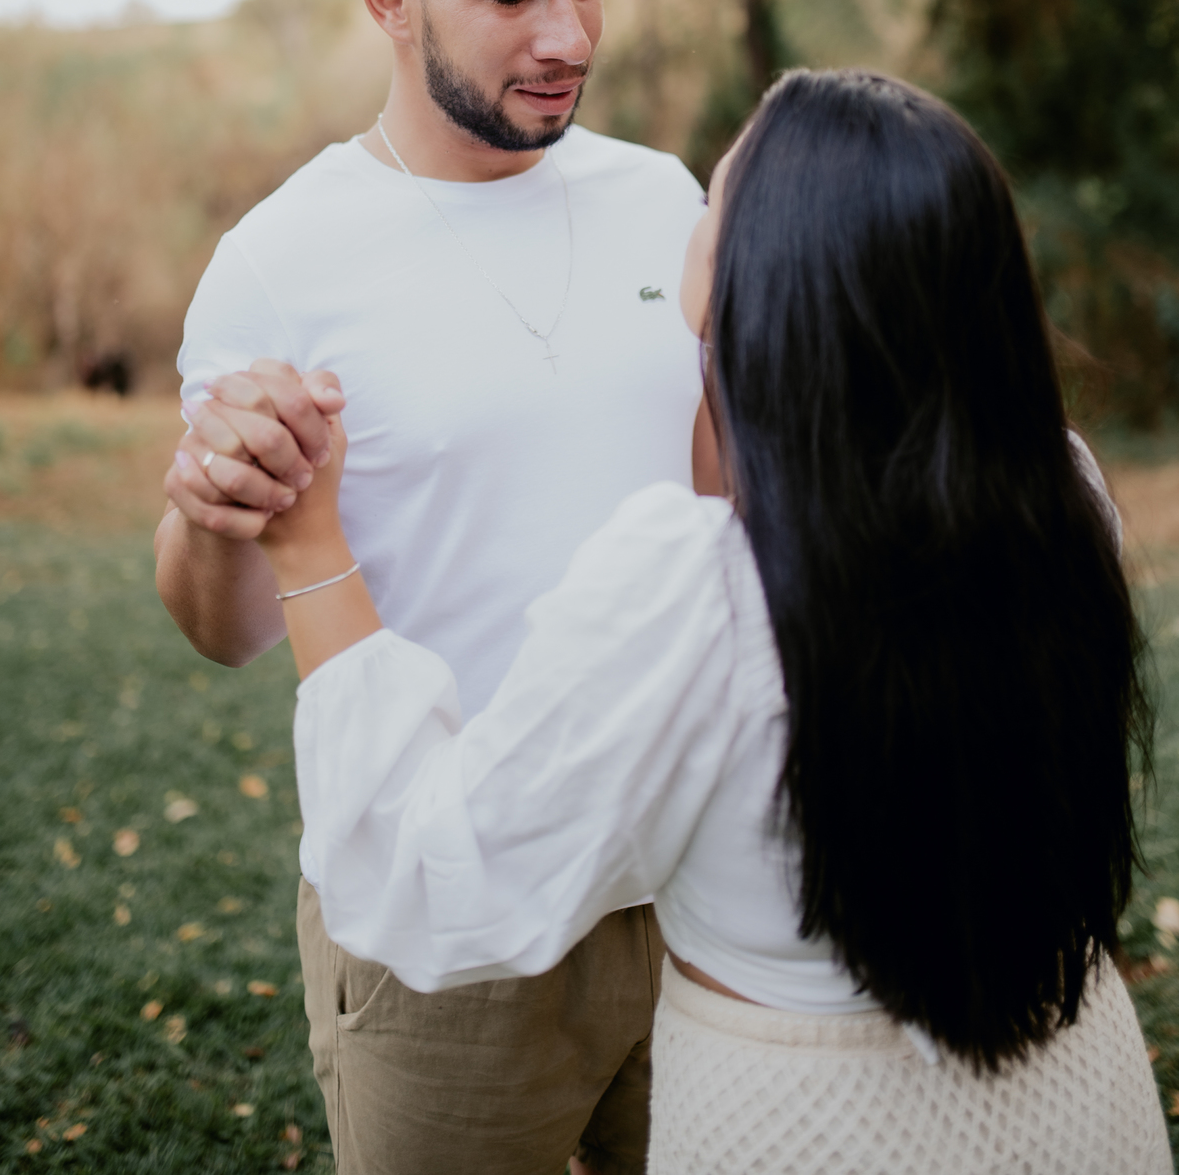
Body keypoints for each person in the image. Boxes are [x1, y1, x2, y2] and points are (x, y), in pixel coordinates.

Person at [251, 68, 1169, 1175]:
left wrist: (309, 547)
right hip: (1078, 1095)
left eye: (719, 198)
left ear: (759, 283)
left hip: (808, 1130)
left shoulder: (698, 589)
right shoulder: (1061, 495)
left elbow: (434, 880)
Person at [154, 0, 713, 1175]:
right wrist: (214, 512)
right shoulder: (282, 259)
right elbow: (222, 626)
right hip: (442, 922)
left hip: (704, 885)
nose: (568, 35)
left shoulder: (667, 201)